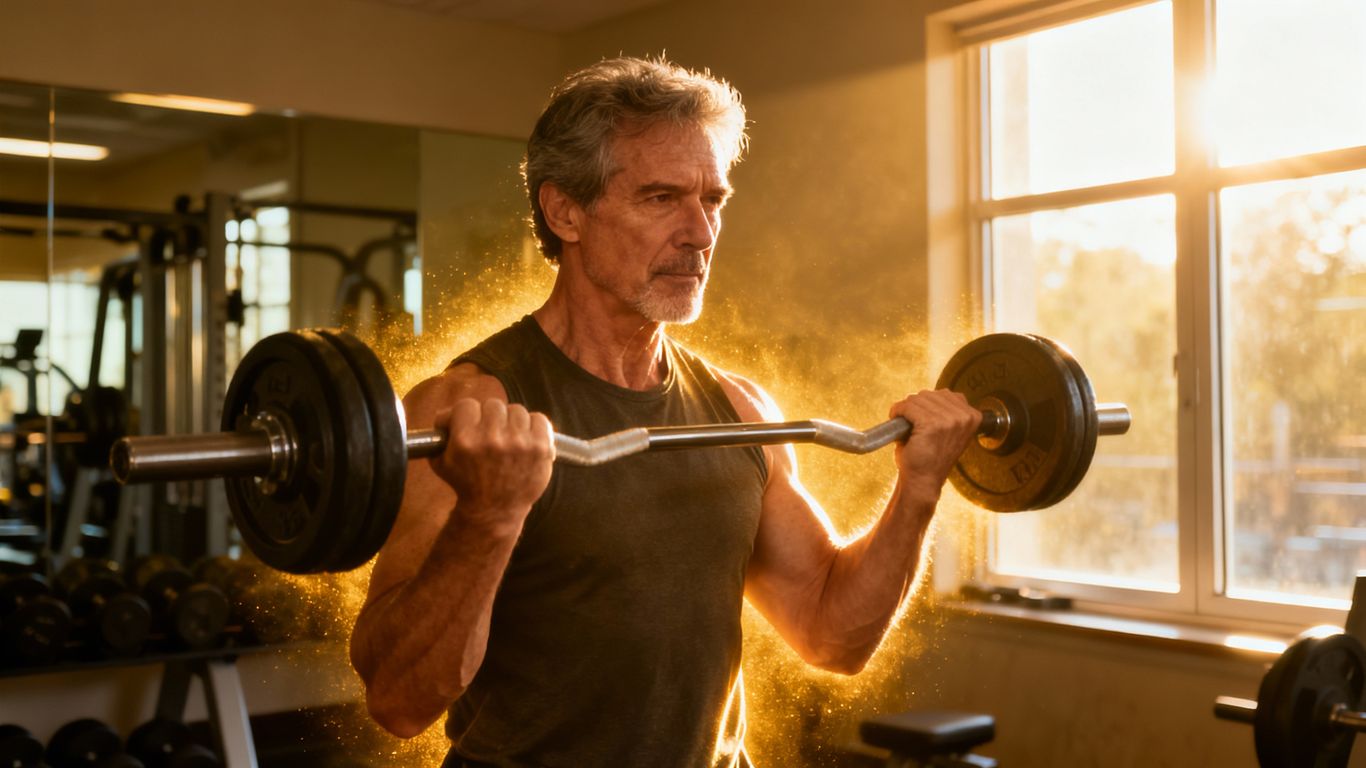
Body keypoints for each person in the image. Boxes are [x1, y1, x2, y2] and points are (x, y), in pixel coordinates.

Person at [349, 56, 982, 768]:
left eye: (713, 200)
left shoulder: (739, 410)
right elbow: (400, 702)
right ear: (565, 212)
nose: (701, 234)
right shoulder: (466, 410)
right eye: (660, 198)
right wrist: (488, 518)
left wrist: (918, 489)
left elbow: (832, 635)